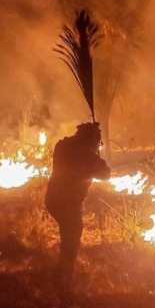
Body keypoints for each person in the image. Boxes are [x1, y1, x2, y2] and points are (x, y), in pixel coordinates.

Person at [45, 122, 111, 290]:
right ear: (91, 141)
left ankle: (62, 273)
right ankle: (62, 278)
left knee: (68, 232)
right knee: (72, 238)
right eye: (97, 142)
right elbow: (106, 174)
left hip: (53, 199)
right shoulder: (88, 157)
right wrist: (98, 157)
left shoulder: (63, 146)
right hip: (68, 203)